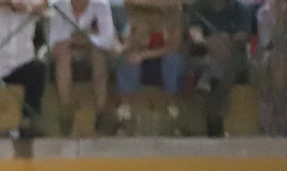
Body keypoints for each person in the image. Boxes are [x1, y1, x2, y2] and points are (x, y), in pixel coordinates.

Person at [0, 0, 50, 136]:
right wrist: (8, 3)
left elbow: (43, 5)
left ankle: (27, 121)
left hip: (21, 58)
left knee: (38, 69)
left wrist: (32, 7)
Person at [186, 0, 258, 136]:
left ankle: (214, 121)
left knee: (225, 66)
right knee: (214, 65)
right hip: (205, 55)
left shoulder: (240, 9)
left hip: (234, 57)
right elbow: (194, 32)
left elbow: (243, 35)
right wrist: (209, 42)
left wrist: (225, 40)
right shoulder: (198, 7)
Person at [49, 0, 121, 135]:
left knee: (98, 56)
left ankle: (101, 110)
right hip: (65, 47)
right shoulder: (58, 5)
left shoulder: (101, 4)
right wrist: (73, 40)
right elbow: (54, 42)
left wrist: (89, 39)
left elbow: (107, 38)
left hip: (91, 46)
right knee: (63, 57)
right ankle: (65, 111)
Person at [114, 0, 185, 133]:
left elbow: (174, 47)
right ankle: (125, 108)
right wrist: (125, 47)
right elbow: (128, 42)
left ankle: (172, 105)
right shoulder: (135, 16)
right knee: (128, 60)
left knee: (173, 61)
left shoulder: (174, 16)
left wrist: (145, 55)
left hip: (162, 58)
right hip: (140, 59)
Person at [259, 0, 287, 134]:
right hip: (272, 54)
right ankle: (278, 126)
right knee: (278, 61)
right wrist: (280, 19)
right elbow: (269, 43)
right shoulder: (265, 13)